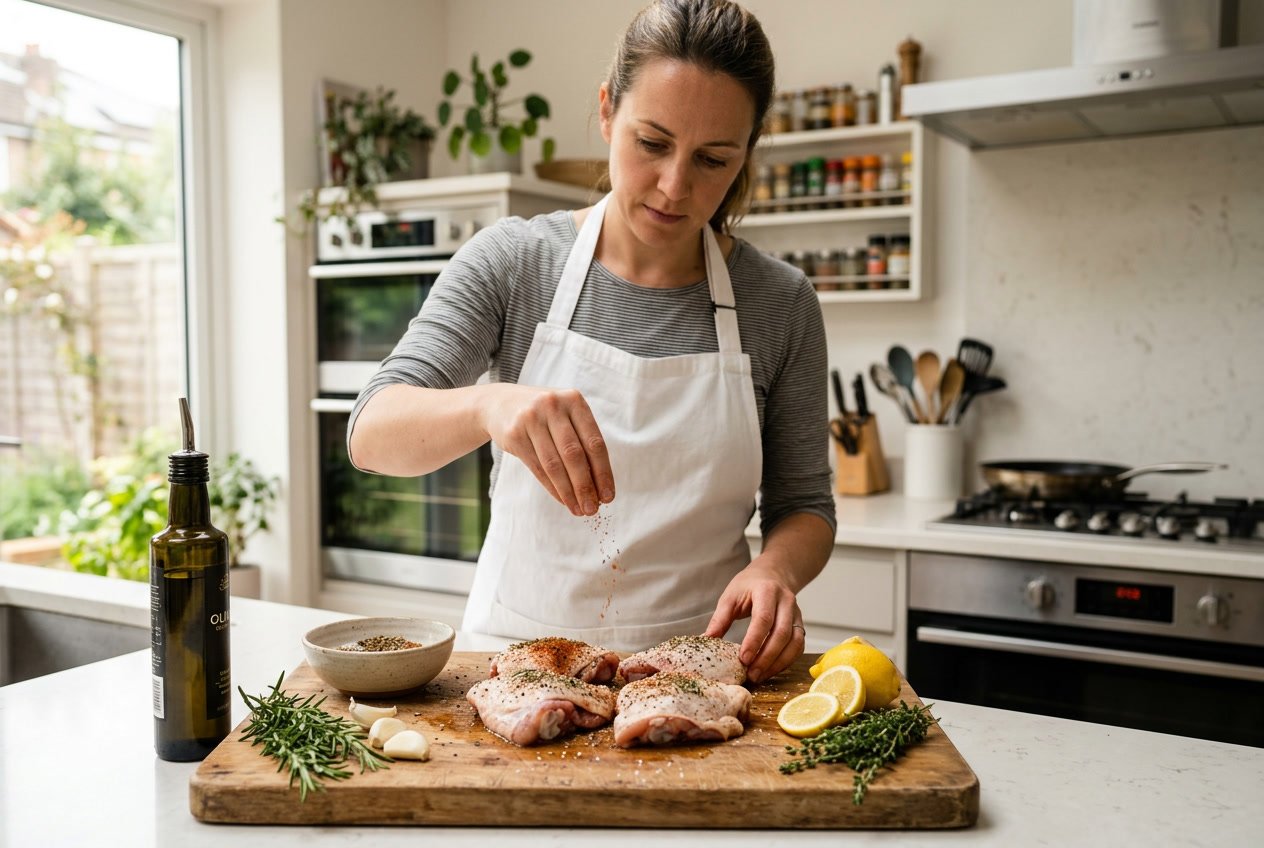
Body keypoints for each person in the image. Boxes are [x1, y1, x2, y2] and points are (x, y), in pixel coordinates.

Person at [348, 0, 835, 683]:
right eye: (652, 143)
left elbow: (805, 506)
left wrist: (776, 568)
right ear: (607, 112)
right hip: (517, 666)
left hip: (698, 674)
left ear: (747, 153)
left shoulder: (780, 303)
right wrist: (491, 408)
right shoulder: (515, 262)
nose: (674, 186)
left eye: (713, 159)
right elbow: (371, 432)